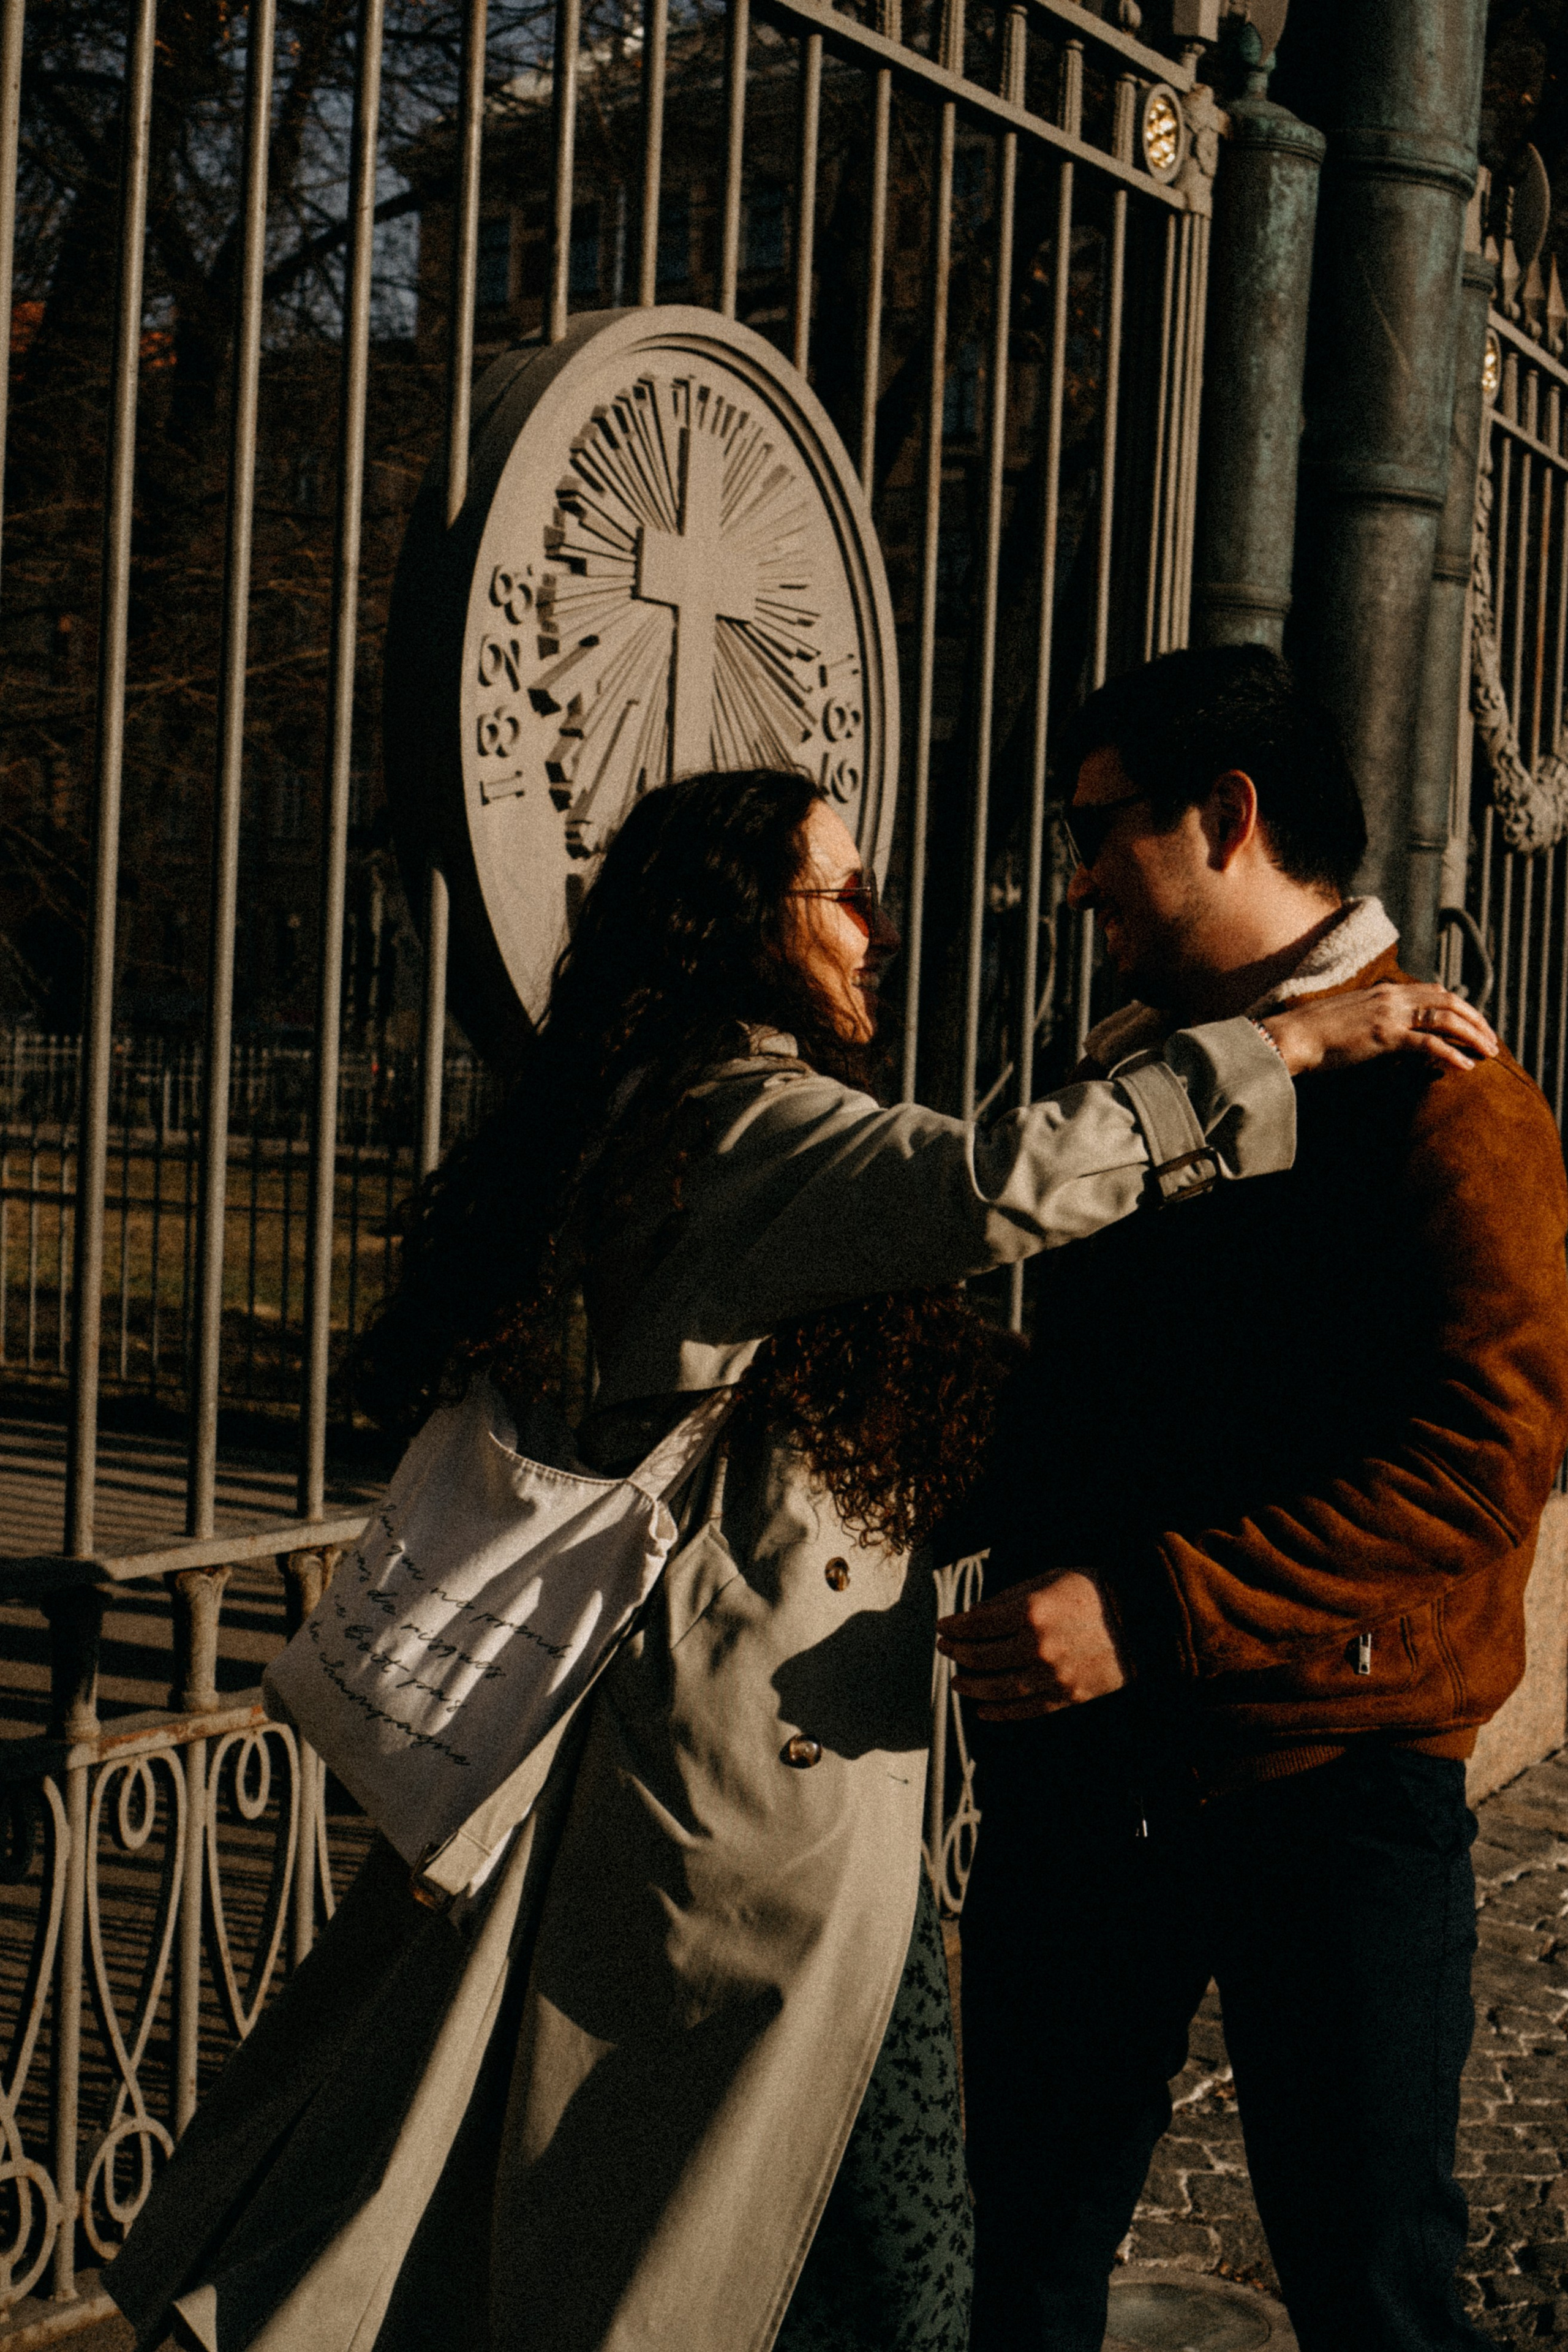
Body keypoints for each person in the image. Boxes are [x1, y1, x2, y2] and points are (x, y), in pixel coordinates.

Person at [107, 765, 1490, 2352]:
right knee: (884, 2276)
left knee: (727, 2241)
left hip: (703, 1763)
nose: (879, 926)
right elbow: (988, 1183)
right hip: (765, 1796)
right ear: (740, 926)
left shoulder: (649, 1100)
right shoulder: (744, 1116)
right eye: (842, 891)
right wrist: (1291, 1044)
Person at [940, 646, 1568, 2352]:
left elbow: (1479, 1463)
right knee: (1027, 2268)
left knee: (1373, 2290)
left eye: (1104, 832)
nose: (1075, 882)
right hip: (1094, 1785)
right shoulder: (1142, 1084)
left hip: (1334, 1785)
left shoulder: (1450, 1106)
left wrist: (1147, 1606)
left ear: (1228, 818)